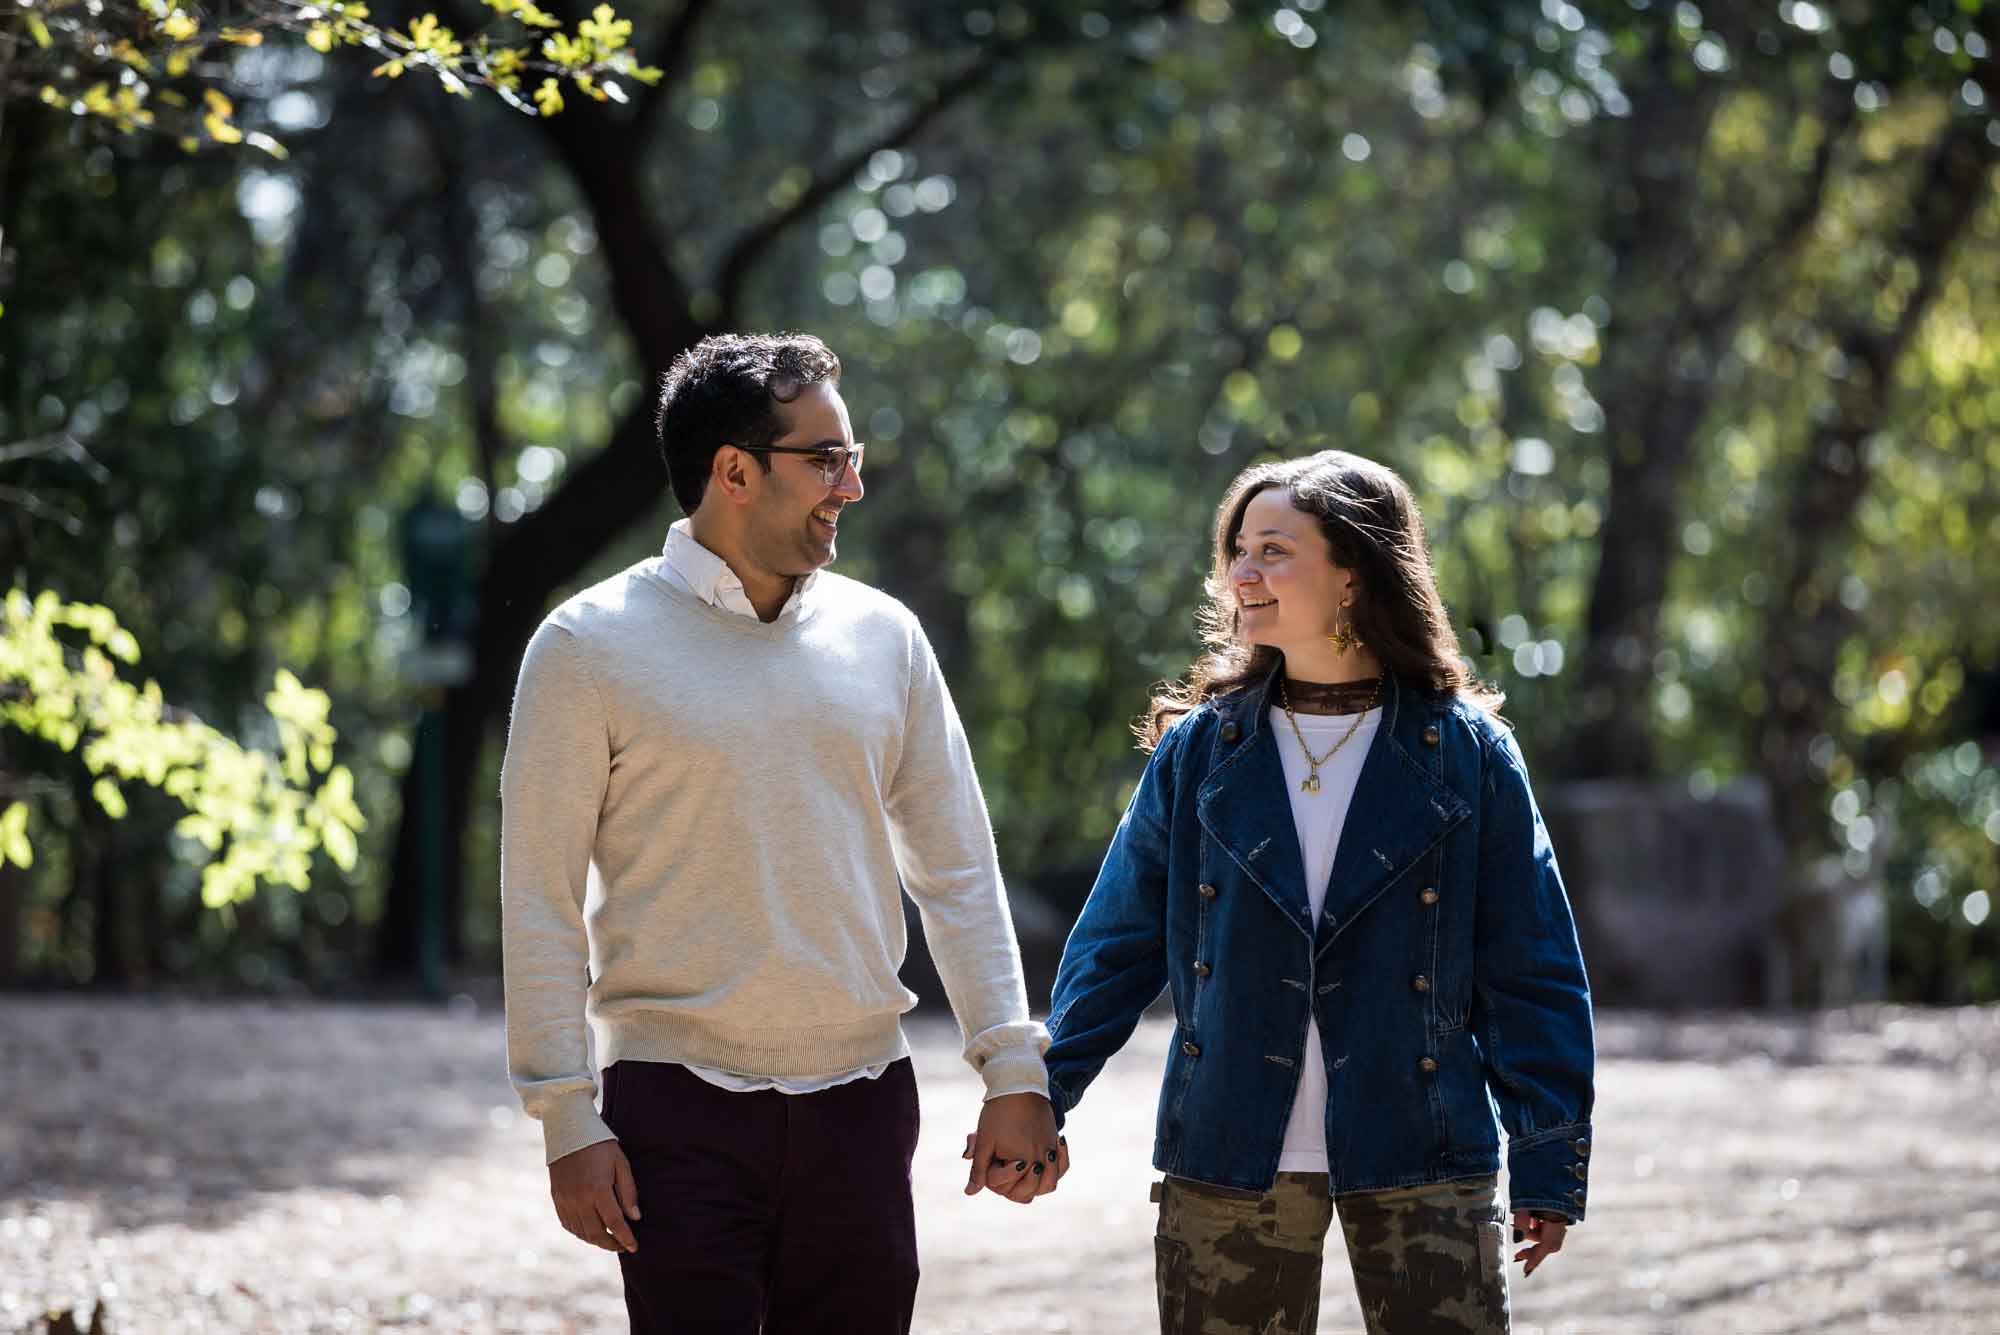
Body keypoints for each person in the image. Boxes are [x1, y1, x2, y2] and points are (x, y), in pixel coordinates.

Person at [500, 331, 1064, 1335]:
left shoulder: (883, 636)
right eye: (826, 459)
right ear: (734, 472)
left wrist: (1011, 1069)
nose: (850, 486)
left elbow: (957, 868)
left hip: (863, 1104)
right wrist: (564, 1117)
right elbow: (539, 899)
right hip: (673, 1113)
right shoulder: (585, 647)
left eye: (851, 458)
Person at [1035, 450, 1595, 1334]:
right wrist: (1042, 1093)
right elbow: (1116, 942)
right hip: (1227, 1142)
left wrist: (1549, 1155)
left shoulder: (1470, 754)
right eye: (1238, 551)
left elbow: (1532, 966)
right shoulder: (1201, 753)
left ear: (1352, 574)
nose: (1240, 573)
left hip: (1425, 1140)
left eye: (1273, 550)